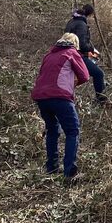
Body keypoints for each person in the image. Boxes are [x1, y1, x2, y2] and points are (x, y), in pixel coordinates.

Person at [31, 32, 90, 180]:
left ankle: (51, 167)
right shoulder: (72, 53)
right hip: (60, 97)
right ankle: (69, 172)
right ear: (75, 44)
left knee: (52, 131)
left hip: (41, 97)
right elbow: (85, 75)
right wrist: (72, 85)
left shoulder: (49, 55)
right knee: (72, 131)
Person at [64, 4, 108, 103]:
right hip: (76, 56)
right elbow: (82, 45)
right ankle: (101, 100)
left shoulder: (71, 21)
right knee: (98, 74)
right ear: (90, 14)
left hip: (66, 54)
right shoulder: (82, 25)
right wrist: (92, 49)